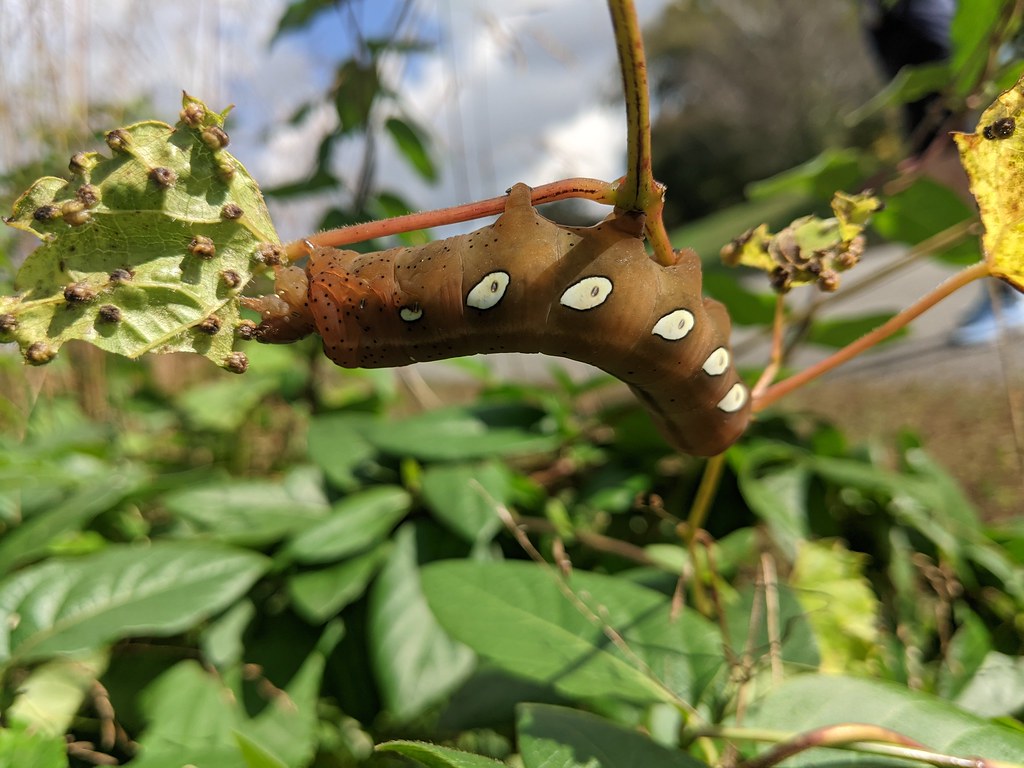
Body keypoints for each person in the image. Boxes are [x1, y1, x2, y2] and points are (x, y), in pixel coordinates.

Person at [865, 0, 1024, 346]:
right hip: (929, 113)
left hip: (954, 109)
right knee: (964, 200)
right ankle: (1004, 292)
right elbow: (907, 81)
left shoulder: (928, 12)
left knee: (978, 199)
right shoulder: (888, 15)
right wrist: (919, 150)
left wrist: (962, 132)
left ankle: (1010, 293)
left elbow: (956, 65)